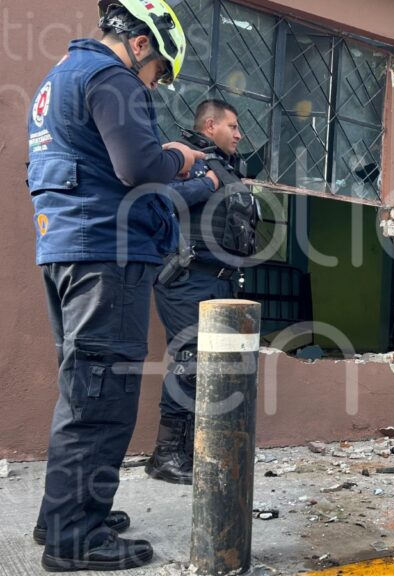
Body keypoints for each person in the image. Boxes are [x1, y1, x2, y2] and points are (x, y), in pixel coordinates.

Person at [27, 0, 203, 571]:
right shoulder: (111, 77)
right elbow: (138, 167)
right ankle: (75, 539)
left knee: (82, 390)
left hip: (67, 247)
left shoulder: (60, 77)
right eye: (158, 74)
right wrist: (177, 156)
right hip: (107, 253)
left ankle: (62, 516)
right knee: (103, 398)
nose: (154, 85)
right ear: (141, 43)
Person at [146, 100, 243, 484]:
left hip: (219, 279)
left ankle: (190, 452)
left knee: (214, 365)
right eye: (233, 126)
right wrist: (209, 184)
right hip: (186, 277)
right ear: (210, 125)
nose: (239, 135)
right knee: (190, 361)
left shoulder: (226, 167)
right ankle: (166, 455)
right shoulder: (182, 157)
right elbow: (162, 199)